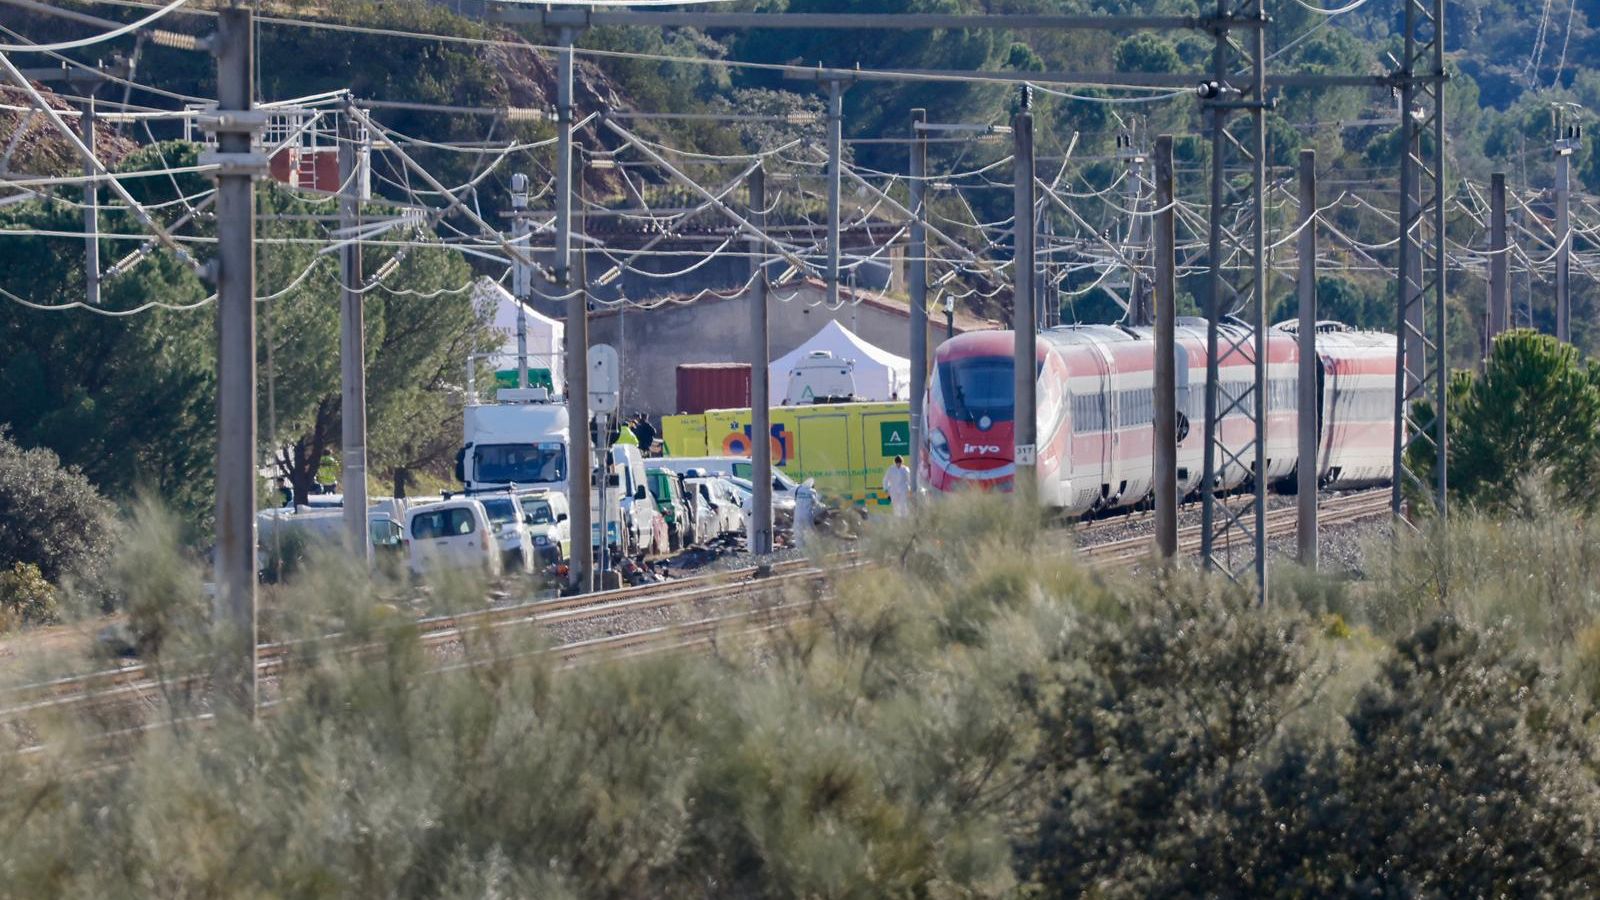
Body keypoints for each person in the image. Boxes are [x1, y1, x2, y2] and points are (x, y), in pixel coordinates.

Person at [793, 477, 817, 547]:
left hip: (797, 514)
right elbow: (814, 503)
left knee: (798, 531)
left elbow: (795, 499)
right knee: (809, 530)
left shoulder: (799, 489)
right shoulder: (812, 491)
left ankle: (799, 547)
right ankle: (811, 546)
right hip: (807, 514)